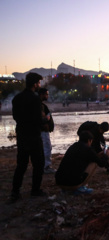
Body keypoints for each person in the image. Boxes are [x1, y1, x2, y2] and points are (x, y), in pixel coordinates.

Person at [8, 72, 46, 203]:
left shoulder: (17, 98)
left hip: (22, 135)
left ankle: (15, 191)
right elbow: (37, 119)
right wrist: (44, 120)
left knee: (21, 165)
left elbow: (15, 117)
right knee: (38, 164)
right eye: (39, 83)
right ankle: (35, 190)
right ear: (35, 84)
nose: (39, 85)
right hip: (34, 136)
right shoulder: (35, 99)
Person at [38, 88, 56, 174]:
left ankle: (43, 166)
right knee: (47, 148)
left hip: (43, 130)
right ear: (41, 94)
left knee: (44, 148)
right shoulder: (39, 105)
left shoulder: (42, 105)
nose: (47, 96)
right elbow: (40, 118)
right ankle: (46, 167)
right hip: (42, 131)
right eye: (46, 94)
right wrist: (46, 119)